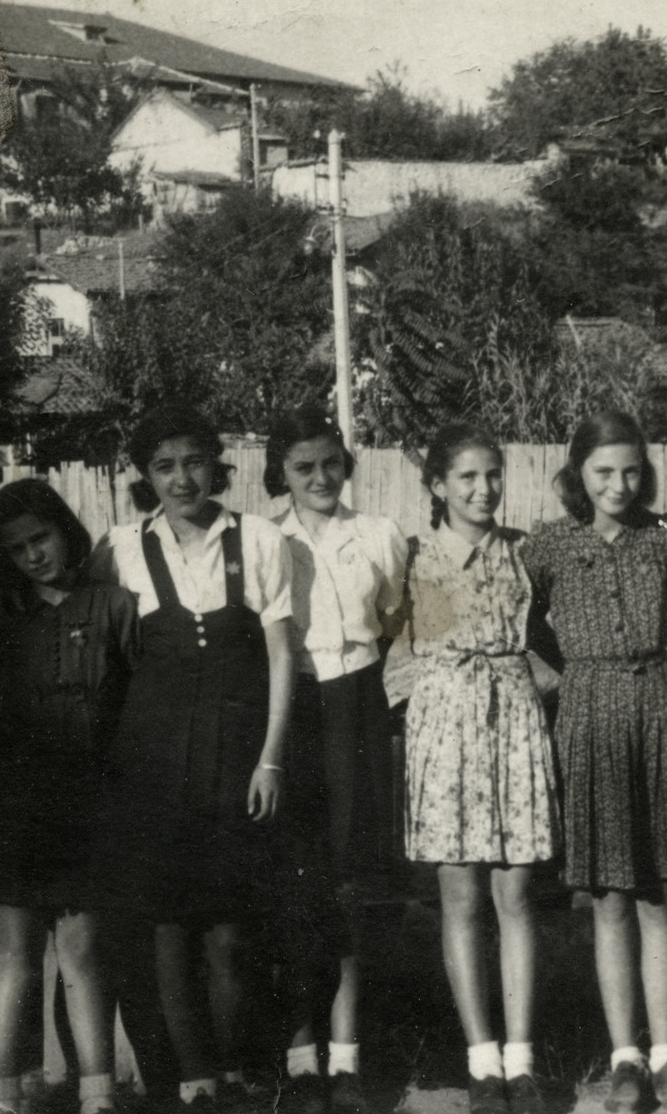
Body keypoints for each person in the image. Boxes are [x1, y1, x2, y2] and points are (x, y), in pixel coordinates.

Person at [89, 403, 295, 1109]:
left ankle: (237, 1071)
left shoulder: (259, 540)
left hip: (238, 763)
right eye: (164, 466)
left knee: (233, 930)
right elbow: (102, 664)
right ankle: (195, 1080)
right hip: (153, 766)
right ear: (146, 475)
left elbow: (280, 655)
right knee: (170, 927)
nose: (182, 479)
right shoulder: (118, 549)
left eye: (194, 461)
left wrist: (270, 759)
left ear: (216, 463)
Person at [520, 411, 667, 1114]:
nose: (619, 484)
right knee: (608, 897)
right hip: (589, 718)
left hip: (655, 708)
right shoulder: (547, 547)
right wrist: (553, 677)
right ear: (577, 475)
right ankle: (624, 1056)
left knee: (657, 894)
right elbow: (521, 623)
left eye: (630, 470)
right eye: (603, 472)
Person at [0, 478, 134, 1114]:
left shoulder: (112, 605)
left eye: (41, 537)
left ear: (66, 529)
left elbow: (132, 704)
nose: (34, 554)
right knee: (17, 948)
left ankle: (98, 1094)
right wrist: (12, 763)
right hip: (17, 798)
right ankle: (2, 1091)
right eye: (17, 547)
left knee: (83, 949)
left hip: (90, 797)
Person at [402, 423, 561, 1114]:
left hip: (514, 726)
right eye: (466, 477)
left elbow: (555, 645)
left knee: (516, 896)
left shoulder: (526, 553)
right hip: (444, 731)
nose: (482, 489)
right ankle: (481, 1062)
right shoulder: (414, 557)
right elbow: (392, 635)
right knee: (460, 899)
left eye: (491, 475)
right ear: (438, 485)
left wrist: (535, 688)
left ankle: (521, 1059)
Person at [264, 409, 408, 1114]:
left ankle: (347, 1060)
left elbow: (389, 616)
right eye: (302, 467)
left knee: (349, 884)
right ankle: (299, 1059)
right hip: (294, 708)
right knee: (296, 883)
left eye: (329, 463)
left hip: (355, 700)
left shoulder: (376, 535)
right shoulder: (264, 540)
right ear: (280, 473)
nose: (319, 478)